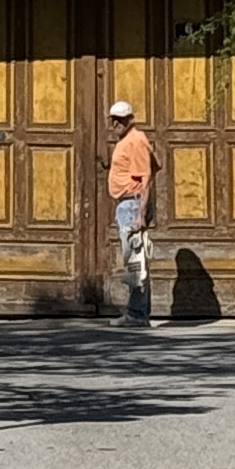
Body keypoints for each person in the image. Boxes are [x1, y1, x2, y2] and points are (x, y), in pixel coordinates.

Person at [105, 99, 153, 318]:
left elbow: (147, 176)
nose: (115, 124)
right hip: (126, 204)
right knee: (134, 261)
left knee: (135, 262)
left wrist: (141, 213)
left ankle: (136, 314)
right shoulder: (127, 140)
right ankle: (138, 312)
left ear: (130, 119)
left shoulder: (136, 140)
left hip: (132, 205)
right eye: (113, 120)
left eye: (120, 119)